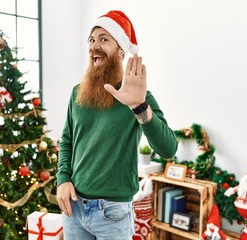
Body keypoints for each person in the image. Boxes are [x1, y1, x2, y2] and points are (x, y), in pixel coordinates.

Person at [56, 10, 178, 239]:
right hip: (74, 208)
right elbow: (67, 141)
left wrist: (139, 107)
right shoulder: (77, 93)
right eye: (92, 40)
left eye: (104, 39)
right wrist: (62, 180)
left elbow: (168, 148)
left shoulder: (137, 96)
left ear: (121, 50)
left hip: (113, 214)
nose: (95, 46)